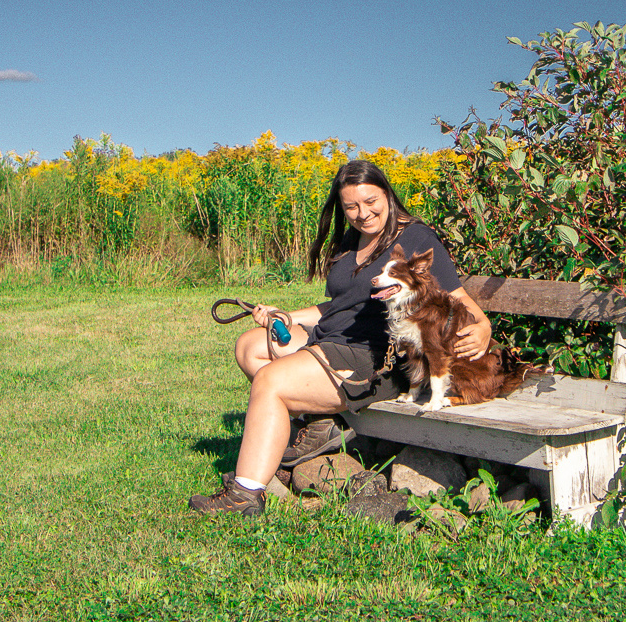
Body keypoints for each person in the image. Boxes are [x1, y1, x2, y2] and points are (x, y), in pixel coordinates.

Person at [187, 159, 493, 516]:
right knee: (250, 346)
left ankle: (245, 495)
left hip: (374, 356)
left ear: (388, 195)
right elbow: (338, 306)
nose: (363, 213)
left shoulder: (413, 237)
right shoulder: (353, 240)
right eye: (351, 207)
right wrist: (286, 315)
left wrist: (483, 325)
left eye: (371, 201)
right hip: (334, 338)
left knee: (270, 381)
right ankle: (320, 424)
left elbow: (455, 297)